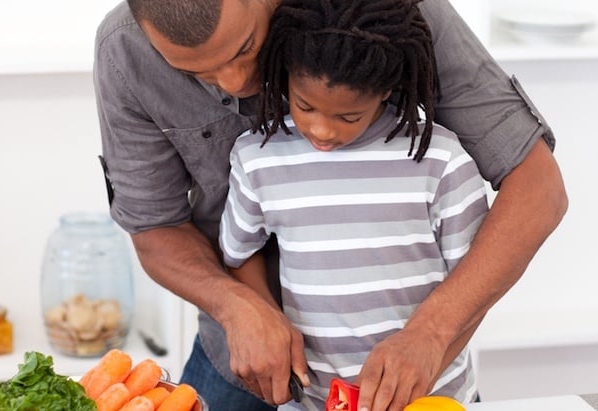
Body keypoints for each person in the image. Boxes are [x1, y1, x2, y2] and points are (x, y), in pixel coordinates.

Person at [94, 0, 567, 410]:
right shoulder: (124, 52)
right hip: (242, 358)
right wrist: (237, 306)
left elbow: (538, 187)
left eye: (245, 48)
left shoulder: (395, 10)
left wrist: (430, 335)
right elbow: (155, 229)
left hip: (411, 371)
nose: (237, 83)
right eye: (197, 73)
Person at [218, 1, 487, 409]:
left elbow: (475, 287)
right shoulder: (259, 158)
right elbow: (238, 255)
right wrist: (267, 319)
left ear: (384, 90)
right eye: (304, 105)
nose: (322, 130)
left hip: (431, 399)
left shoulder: (439, 161)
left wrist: (428, 353)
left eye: (349, 116)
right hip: (311, 401)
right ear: (284, 76)